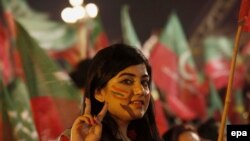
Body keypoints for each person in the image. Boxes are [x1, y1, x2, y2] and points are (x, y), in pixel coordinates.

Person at [57, 43, 162, 141]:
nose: (141, 91)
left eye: (144, 82)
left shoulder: (147, 136)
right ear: (98, 92)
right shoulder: (76, 136)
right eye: (127, 81)